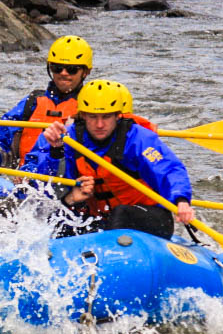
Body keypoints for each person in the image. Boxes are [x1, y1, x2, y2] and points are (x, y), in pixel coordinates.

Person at [23, 80, 195, 239]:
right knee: (57, 220)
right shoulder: (69, 138)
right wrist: (55, 152)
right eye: (93, 117)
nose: (99, 125)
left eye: (106, 117)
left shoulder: (137, 139)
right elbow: (46, 186)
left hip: (148, 216)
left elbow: (169, 169)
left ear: (117, 116)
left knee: (120, 214)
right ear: (82, 115)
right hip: (101, 218)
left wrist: (181, 200)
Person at [0, 35, 92, 168]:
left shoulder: (92, 111)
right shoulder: (31, 103)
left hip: (65, 182)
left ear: (85, 72)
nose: (63, 73)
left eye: (72, 69)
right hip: (27, 182)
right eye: (57, 67)